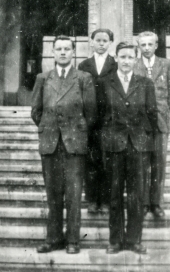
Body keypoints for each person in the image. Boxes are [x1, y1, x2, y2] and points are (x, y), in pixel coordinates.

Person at [31, 35, 96, 254]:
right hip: (50, 143)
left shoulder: (83, 78)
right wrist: (49, 128)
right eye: (58, 49)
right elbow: (36, 111)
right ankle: (53, 239)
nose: (62, 52)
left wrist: (74, 131)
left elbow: (91, 113)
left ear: (73, 52)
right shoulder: (43, 78)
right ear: (52, 51)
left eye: (67, 49)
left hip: (74, 144)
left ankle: (73, 241)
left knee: (74, 194)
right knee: (53, 194)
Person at [98, 42, 158, 254]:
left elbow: (152, 114)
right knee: (114, 195)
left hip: (138, 146)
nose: (126, 61)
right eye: (122, 57)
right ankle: (115, 240)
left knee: (137, 195)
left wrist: (145, 141)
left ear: (136, 59)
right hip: (114, 146)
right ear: (116, 57)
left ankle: (134, 240)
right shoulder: (105, 83)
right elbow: (99, 115)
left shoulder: (146, 83)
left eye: (130, 57)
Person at [134, 31, 170, 218]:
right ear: (139, 46)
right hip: (140, 125)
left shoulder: (167, 65)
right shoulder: (134, 65)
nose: (146, 48)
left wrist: (161, 110)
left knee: (159, 165)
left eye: (149, 44)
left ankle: (157, 204)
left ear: (156, 45)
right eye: (142, 45)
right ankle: (143, 203)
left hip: (160, 122)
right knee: (142, 165)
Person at [78, 28, 117, 214]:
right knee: (91, 161)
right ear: (91, 42)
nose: (101, 43)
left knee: (108, 161)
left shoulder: (115, 64)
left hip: (110, 121)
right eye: (98, 40)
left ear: (110, 43)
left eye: (105, 40)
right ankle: (92, 200)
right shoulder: (84, 65)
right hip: (89, 120)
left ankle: (107, 200)